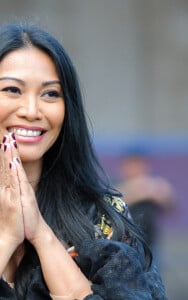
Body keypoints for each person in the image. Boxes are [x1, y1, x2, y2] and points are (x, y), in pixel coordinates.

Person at [0, 22, 167, 299]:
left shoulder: (100, 217)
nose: (31, 111)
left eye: (50, 93)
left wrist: (41, 234)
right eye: (12, 90)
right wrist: (7, 237)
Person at [116, 148, 175, 260]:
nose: (136, 169)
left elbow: (171, 207)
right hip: (124, 245)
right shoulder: (117, 184)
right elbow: (115, 200)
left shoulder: (154, 185)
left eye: (139, 164)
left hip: (149, 243)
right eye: (132, 164)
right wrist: (140, 190)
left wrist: (161, 193)